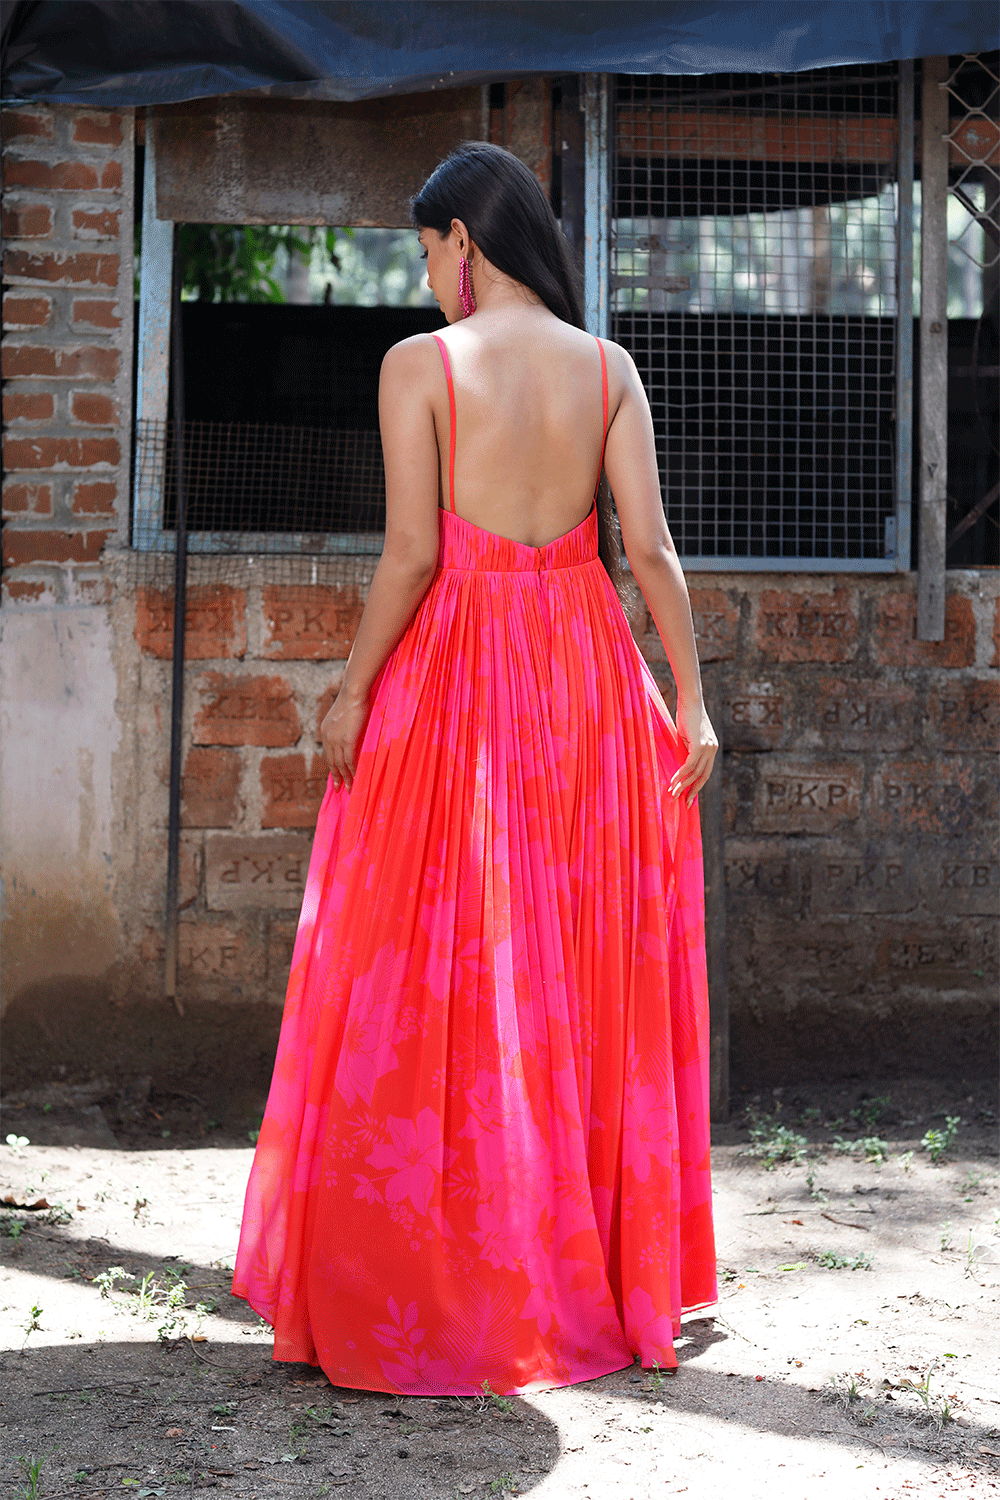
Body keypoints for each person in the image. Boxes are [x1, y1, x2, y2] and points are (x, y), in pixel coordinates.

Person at [232, 141, 718, 1396]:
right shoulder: (609, 368)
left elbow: (410, 556)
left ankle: (448, 1275)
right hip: (589, 682)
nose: (430, 274)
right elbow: (649, 552)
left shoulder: (424, 366)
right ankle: (577, 1272)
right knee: (573, 968)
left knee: (427, 967)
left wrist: (346, 694)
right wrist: (693, 703)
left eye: (428, 250)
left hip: (458, 675)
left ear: (465, 241)